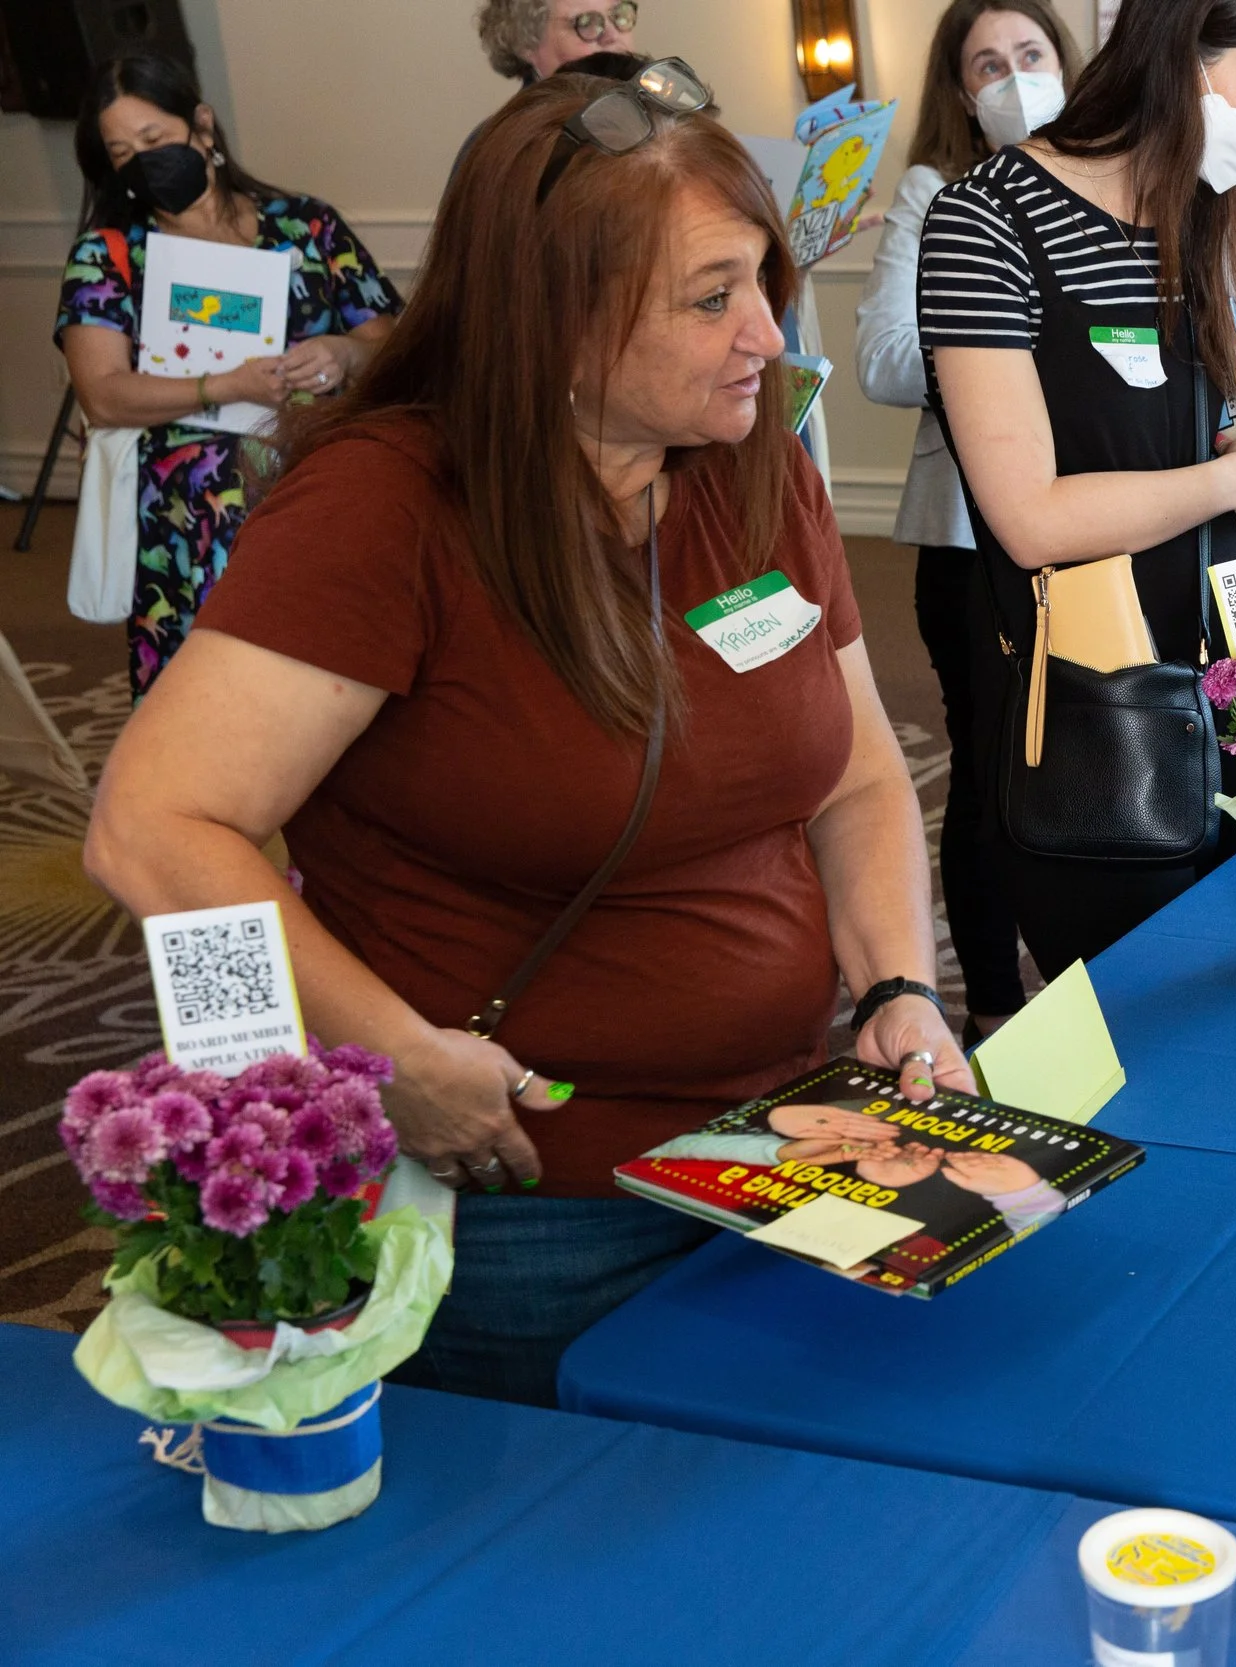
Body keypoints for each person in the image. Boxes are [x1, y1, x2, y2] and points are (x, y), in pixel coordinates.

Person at [82, 64, 965, 1407]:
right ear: (555, 315)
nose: (769, 337)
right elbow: (149, 829)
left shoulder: (753, 460)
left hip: (793, 1140)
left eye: (765, 284)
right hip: (540, 1202)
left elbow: (850, 775)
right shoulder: (385, 508)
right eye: (712, 297)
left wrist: (898, 985)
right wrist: (410, 1058)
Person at [918, 0, 1236, 975]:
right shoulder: (985, 221)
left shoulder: (1192, 209)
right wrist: (1231, 476)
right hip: (1102, 718)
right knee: (1133, 1022)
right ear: (1183, 64)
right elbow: (1030, 518)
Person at [859, 0, 1084, 1042]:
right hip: (968, 542)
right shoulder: (932, 192)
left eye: (1030, 55)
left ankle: (1113, 997)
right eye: (987, 64)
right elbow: (884, 361)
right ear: (961, 90)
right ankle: (992, 1006)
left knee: (1105, 764)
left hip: (1108, 532)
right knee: (991, 774)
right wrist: (1009, 346)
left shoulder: (1122, 184)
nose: (1013, 78)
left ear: (1066, 65)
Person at [56, 55, 402, 700]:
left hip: (324, 495)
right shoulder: (108, 255)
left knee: (339, 687)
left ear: (203, 128)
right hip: (191, 523)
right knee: (212, 702)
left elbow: (396, 346)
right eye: (122, 153)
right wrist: (225, 385)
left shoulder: (308, 226)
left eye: (154, 140)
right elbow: (102, 395)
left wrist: (343, 353)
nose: (143, 161)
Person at [476, 0, 639, 84]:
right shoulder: (516, 142)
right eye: (586, 23)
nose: (612, 35)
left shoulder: (655, 114)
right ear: (527, 44)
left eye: (619, 15)